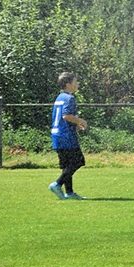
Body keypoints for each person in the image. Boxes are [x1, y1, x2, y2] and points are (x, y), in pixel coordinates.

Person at [48, 72, 89, 200]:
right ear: (68, 84)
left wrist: (75, 124)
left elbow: (62, 118)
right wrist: (81, 121)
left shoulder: (59, 97)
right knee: (78, 161)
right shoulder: (69, 98)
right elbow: (66, 116)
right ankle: (57, 184)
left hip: (57, 135)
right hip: (66, 136)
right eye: (75, 82)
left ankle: (69, 193)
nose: (78, 84)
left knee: (67, 166)